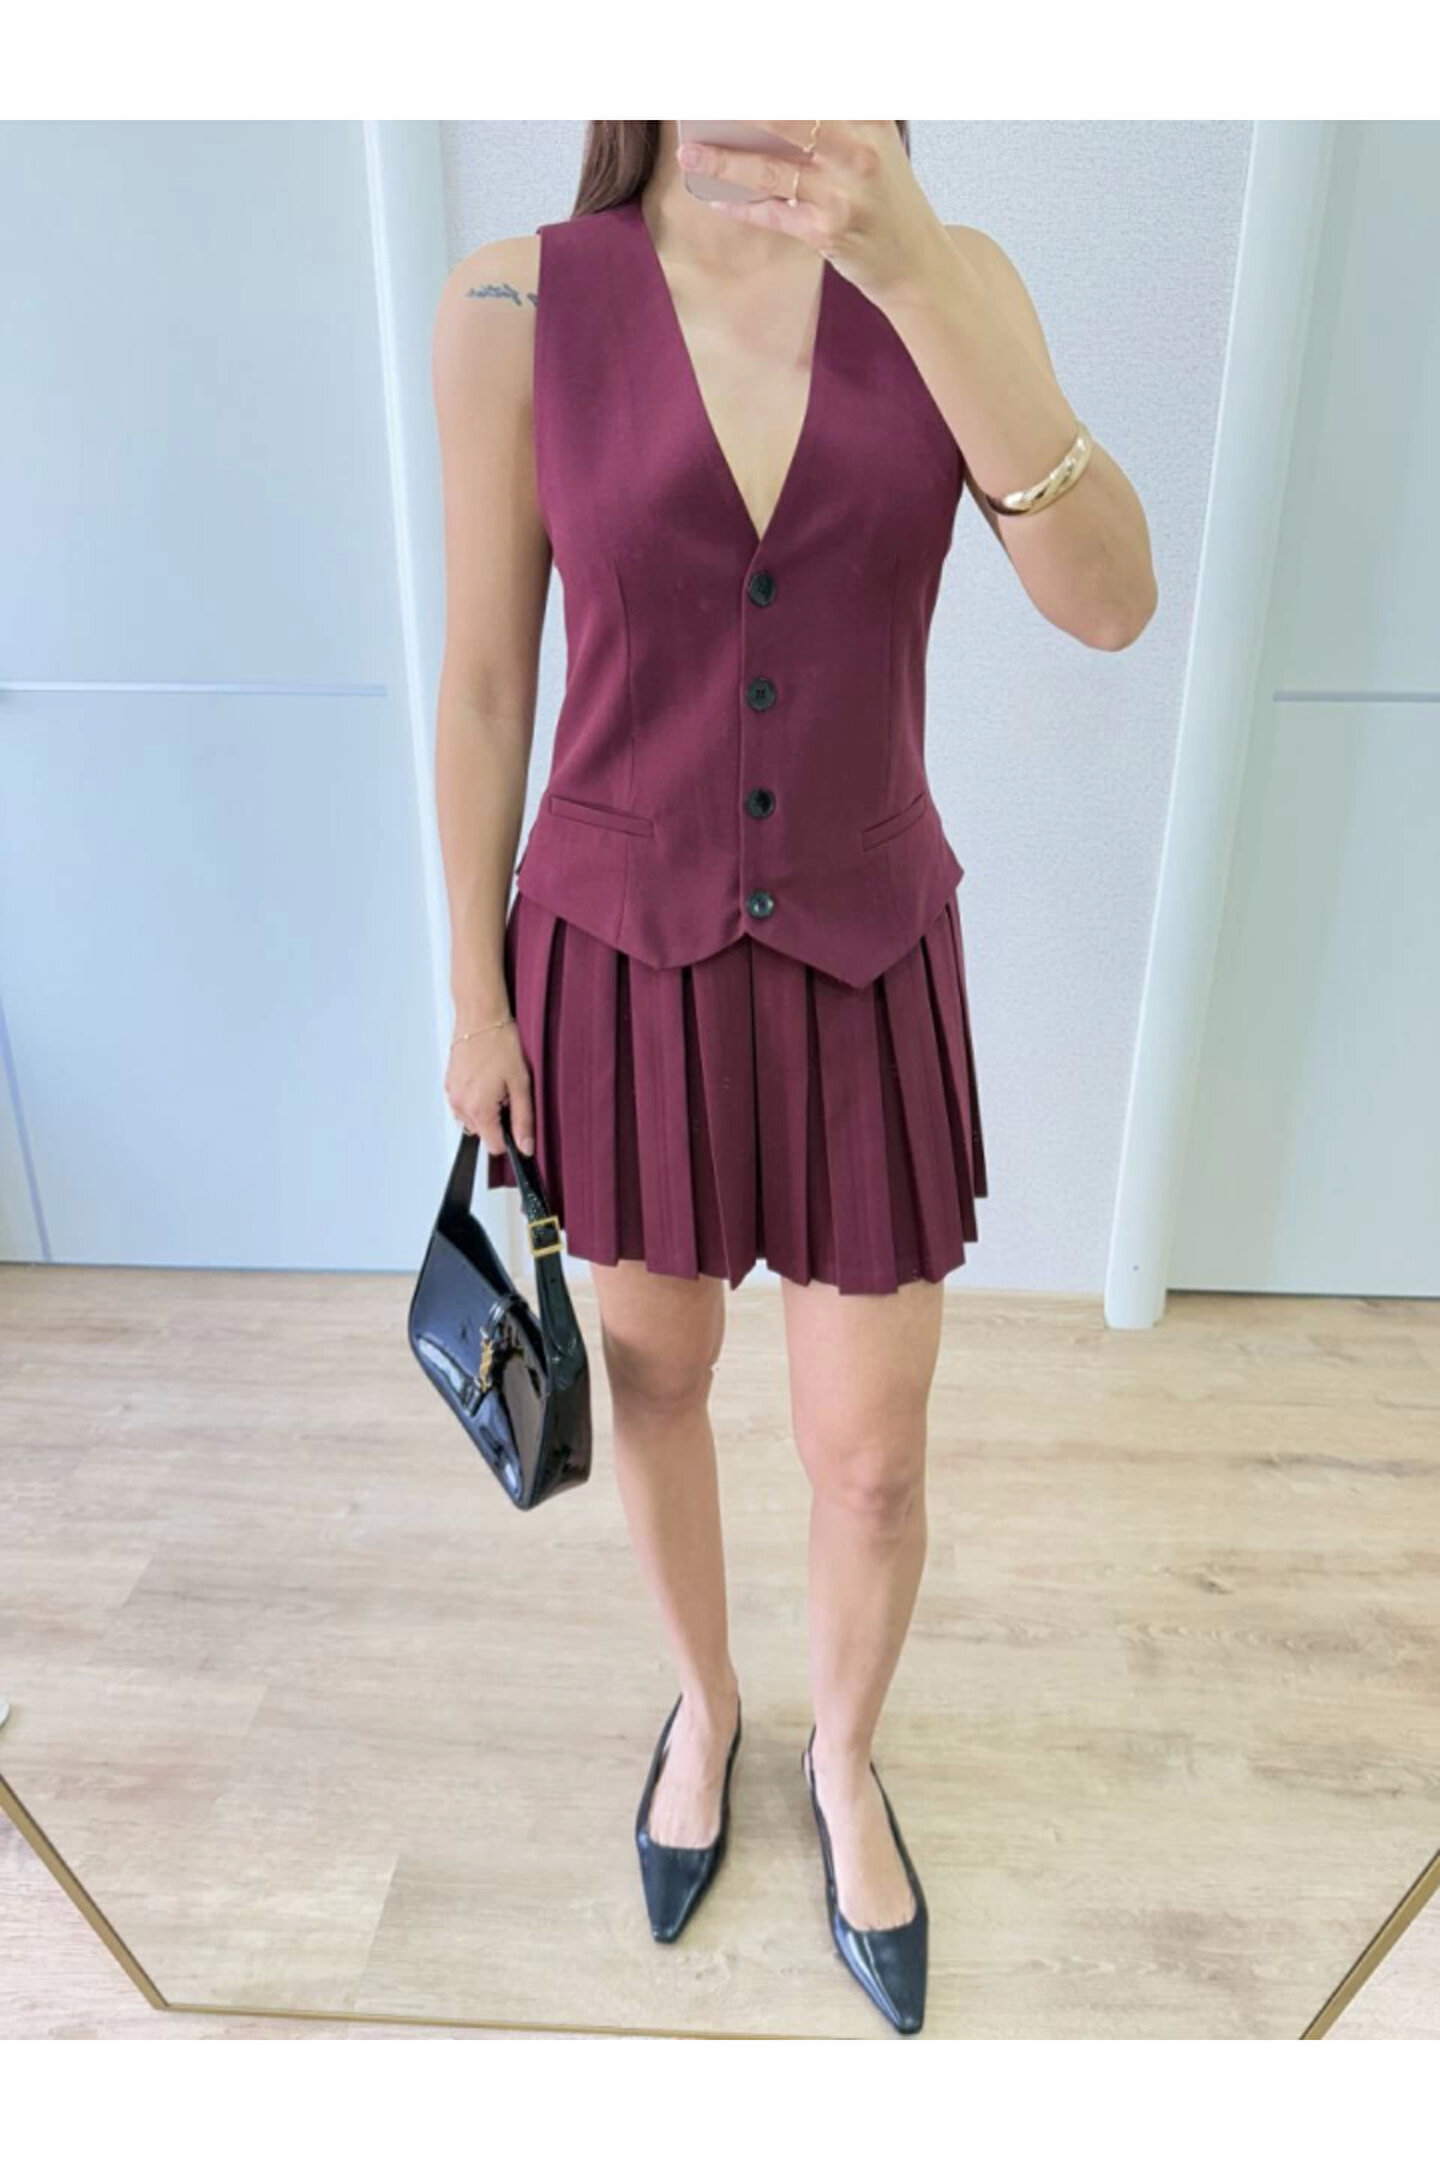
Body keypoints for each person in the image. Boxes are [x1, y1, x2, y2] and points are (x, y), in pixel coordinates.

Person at [430, 119, 1155, 2034]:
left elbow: (1110, 603)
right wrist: (475, 996)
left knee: (874, 1457)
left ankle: (843, 1758)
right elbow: (488, 683)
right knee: (655, 1381)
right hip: (613, 956)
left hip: (867, 958)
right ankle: (708, 1706)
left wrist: (913, 273)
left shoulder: (956, 278)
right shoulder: (513, 302)